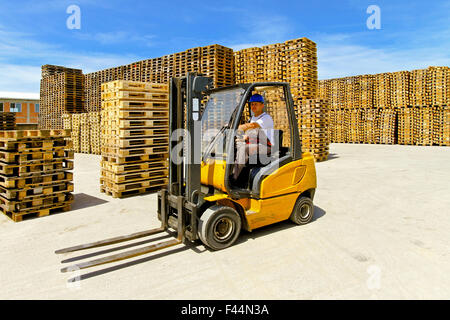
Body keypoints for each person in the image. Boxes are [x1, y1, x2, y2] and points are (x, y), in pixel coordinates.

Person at [232, 93, 274, 183]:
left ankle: (233, 179)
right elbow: (250, 134)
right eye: (252, 104)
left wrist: (236, 127)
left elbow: (252, 126)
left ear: (262, 105)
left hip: (267, 147)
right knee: (233, 145)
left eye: (256, 104)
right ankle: (239, 177)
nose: (253, 106)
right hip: (255, 143)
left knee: (244, 149)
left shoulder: (265, 118)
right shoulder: (252, 118)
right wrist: (242, 138)